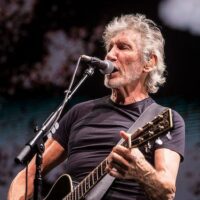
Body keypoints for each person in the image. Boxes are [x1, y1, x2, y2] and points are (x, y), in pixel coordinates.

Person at [8, 14, 185, 200]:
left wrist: (142, 172)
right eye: (110, 48)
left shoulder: (164, 119)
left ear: (149, 62)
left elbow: (167, 192)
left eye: (123, 47)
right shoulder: (79, 113)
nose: (109, 55)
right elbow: (25, 178)